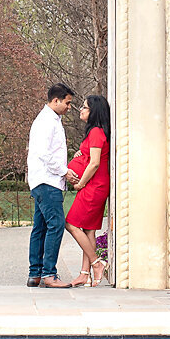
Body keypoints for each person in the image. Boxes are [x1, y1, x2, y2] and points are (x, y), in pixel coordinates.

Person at [27, 83, 75, 288]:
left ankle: (35, 274)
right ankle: (49, 274)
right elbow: (44, 153)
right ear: (55, 100)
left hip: (42, 181)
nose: (69, 107)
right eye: (67, 102)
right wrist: (64, 171)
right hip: (48, 181)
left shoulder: (49, 120)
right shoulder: (47, 121)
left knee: (40, 227)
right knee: (56, 225)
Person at [64, 94, 111, 287]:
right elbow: (91, 156)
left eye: (85, 107)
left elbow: (94, 163)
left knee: (71, 224)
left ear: (94, 112)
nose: (81, 110)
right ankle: (85, 273)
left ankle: (96, 263)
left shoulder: (96, 132)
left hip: (94, 185)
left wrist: (80, 184)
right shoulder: (95, 133)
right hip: (96, 184)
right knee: (88, 230)